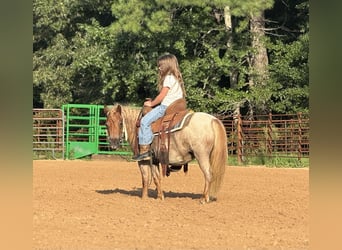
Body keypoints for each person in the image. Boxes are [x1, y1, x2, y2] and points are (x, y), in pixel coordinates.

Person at [132, 54, 186, 161]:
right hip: (177, 107)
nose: (159, 68)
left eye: (161, 65)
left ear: (167, 66)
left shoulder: (168, 78)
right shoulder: (176, 79)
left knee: (144, 121)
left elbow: (162, 96)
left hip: (165, 107)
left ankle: (145, 150)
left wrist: (151, 104)